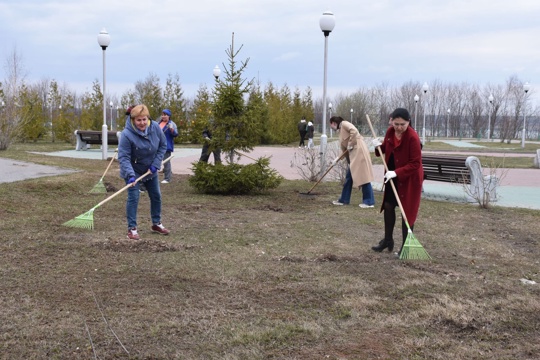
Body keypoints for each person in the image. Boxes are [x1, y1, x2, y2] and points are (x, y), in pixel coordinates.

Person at [371, 108, 424, 255]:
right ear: (391, 121)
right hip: (391, 175)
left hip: (408, 178)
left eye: (402, 124)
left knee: (406, 211)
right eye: (396, 124)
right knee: (388, 205)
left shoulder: (413, 137)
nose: (399, 127)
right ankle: (388, 240)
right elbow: (384, 150)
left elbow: (415, 164)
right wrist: (377, 146)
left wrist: (397, 172)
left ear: (408, 122)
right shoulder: (390, 132)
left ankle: (406, 246)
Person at [118, 104, 169, 240]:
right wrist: (130, 175)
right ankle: (132, 229)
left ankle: (156, 223)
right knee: (134, 198)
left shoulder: (155, 128)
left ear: (148, 118)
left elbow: (163, 145)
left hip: (150, 169)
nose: (142, 123)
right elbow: (123, 157)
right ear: (133, 120)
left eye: (144, 119)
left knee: (156, 196)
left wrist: (156, 163)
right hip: (133, 170)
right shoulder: (126, 134)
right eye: (139, 120)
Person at [329, 116, 375, 208]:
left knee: (364, 177)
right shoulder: (341, 130)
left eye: (331, 125)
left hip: (359, 153)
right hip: (354, 156)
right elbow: (344, 148)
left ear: (334, 123)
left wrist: (351, 143)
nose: (331, 127)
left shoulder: (344, 124)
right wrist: (337, 159)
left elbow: (354, 131)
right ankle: (344, 199)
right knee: (349, 178)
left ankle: (369, 202)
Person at [158, 109, 178, 184]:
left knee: (166, 162)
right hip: (157, 146)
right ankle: (153, 178)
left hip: (166, 145)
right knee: (156, 162)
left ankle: (167, 178)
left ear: (169, 116)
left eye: (165, 115)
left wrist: (172, 130)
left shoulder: (172, 124)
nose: (163, 116)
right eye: (162, 115)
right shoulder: (158, 123)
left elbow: (175, 134)